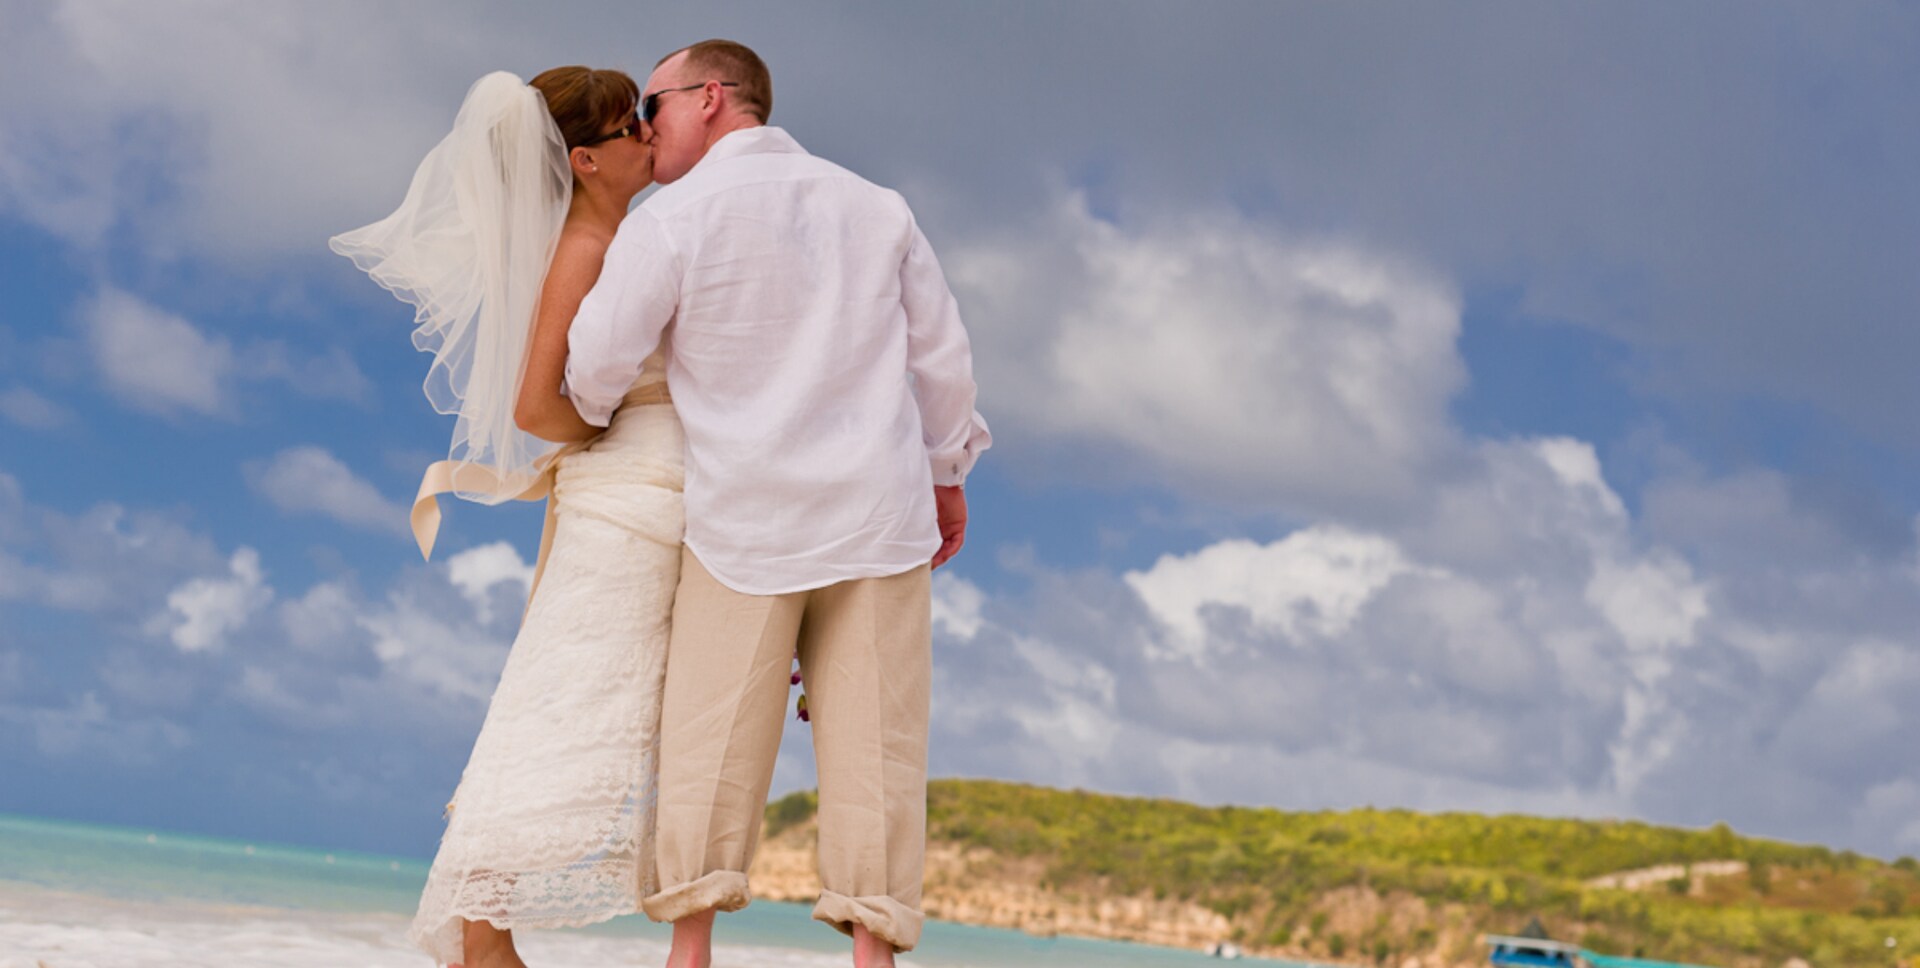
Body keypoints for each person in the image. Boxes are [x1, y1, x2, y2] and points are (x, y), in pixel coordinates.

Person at [562, 39, 990, 968]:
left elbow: (594, 364)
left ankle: (690, 951)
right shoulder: (879, 208)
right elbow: (944, 361)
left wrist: (597, 415)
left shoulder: (674, 220)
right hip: (878, 516)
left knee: (711, 742)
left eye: (656, 102)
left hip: (742, 521)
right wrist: (947, 471)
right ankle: (872, 959)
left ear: (712, 98)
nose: (646, 124)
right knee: (880, 751)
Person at [331, 66, 679, 968]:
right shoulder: (587, 250)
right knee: (568, 708)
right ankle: (484, 939)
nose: (649, 132)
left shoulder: (607, 238)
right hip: (623, 497)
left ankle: (484, 935)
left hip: (621, 497)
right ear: (587, 159)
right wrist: (606, 424)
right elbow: (534, 407)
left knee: (557, 701)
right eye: (631, 123)